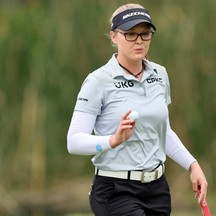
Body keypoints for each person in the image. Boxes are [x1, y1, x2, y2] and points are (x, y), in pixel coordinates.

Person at [67, 3, 208, 216]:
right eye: (130, 34)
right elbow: (74, 141)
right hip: (115, 190)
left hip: (157, 190)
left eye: (145, 34)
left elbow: (163, 132)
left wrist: (192, 165)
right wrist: (112, 140)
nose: (139, 41)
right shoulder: (98, 81)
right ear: (114, 37)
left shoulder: (159, 74)